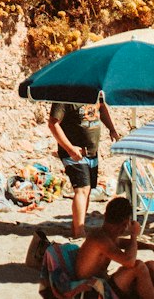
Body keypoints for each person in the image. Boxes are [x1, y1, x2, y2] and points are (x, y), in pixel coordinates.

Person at [49, 98, 121, 237]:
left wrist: (111, 128)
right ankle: (79, 231)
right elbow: (53, 124)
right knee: (82, 189)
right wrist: (70, 149)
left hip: (92, 151)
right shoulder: (64, 96)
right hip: (74, 153)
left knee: (87, 190)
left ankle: (77, 225)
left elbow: (101, 107)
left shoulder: (93, 91)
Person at [75, 195, 154, 298]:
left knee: (151, 265)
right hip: (91, 289)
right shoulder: (100, 239)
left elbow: (123, 243)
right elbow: (130, 262)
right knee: (139, 266)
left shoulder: (107, 234)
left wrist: (149, 246)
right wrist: (133, 235)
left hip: (102, 283)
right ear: (125, 223)